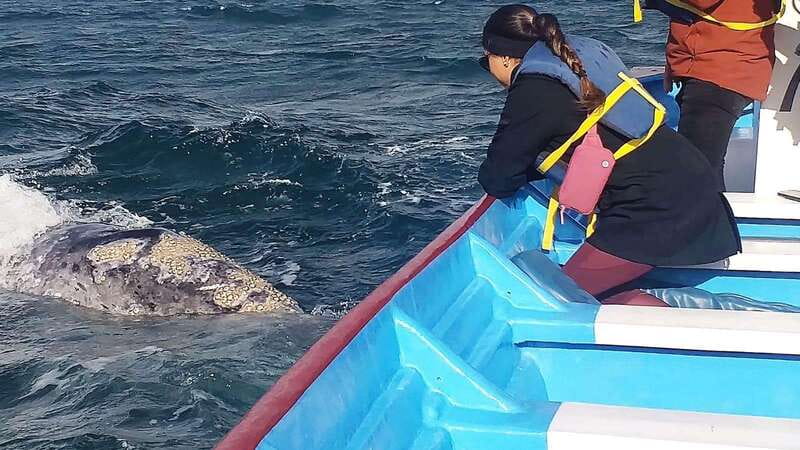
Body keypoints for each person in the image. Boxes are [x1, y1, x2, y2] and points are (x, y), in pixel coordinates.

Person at [477, 4, 742, 306]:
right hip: (684, 183)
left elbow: (497, 178)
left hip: (657, 211)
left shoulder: (534, 90)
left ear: (504, 56)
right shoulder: (575, 61)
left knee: (564, 299)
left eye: (486, 62)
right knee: (593, 291)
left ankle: (691, 339)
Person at [642, 0, 780, 190]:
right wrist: (676, 63)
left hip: (722, 69)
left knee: (696, 170)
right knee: (702, 166)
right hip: (713, 66)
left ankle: (712, 217)